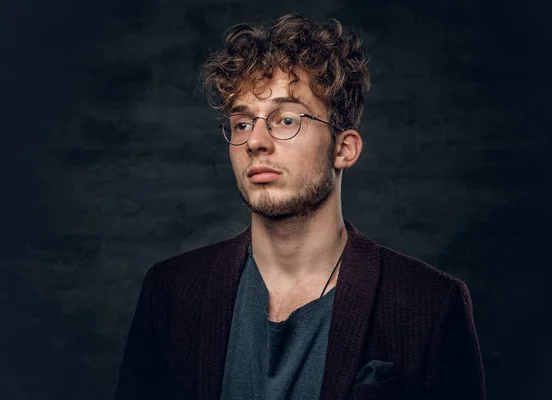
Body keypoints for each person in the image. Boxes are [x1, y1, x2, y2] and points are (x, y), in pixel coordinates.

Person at [114, 14, 486, 400]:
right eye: (242, 123)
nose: (256, 141)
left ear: (344, 149)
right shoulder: (171, 291)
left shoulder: (429, 305)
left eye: (286, 119)